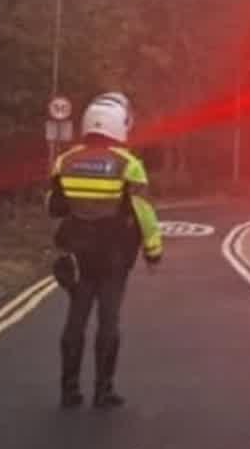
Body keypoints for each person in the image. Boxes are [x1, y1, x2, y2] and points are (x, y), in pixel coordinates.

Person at [46, 91, 165, 411]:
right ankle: (103, 391)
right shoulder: (129, 165)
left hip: (78, 256)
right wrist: (153, 252)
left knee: (76, 319)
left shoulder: (64, 162)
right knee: (108, 321)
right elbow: (144, 214)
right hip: (114, 256)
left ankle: (69, 391)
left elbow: (54, 207)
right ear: (120, 124)